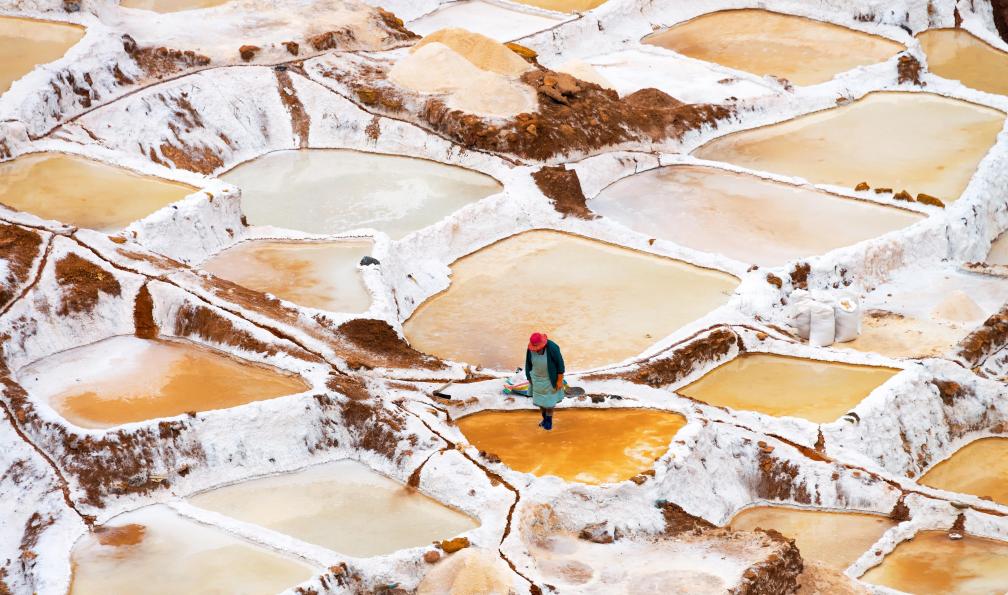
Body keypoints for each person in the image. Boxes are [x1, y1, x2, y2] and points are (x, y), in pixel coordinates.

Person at [525, 332, 565, 430]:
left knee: (549, 402)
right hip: (536, 379)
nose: (536, 351)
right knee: (540, 401)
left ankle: (549, 420)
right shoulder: (530, 349)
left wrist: (559, 380)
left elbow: (560, 365)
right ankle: (544, 418)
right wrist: (529, 378)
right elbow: (528, 363)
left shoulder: (553, 348)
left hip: (550, 379)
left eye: (538, 349)